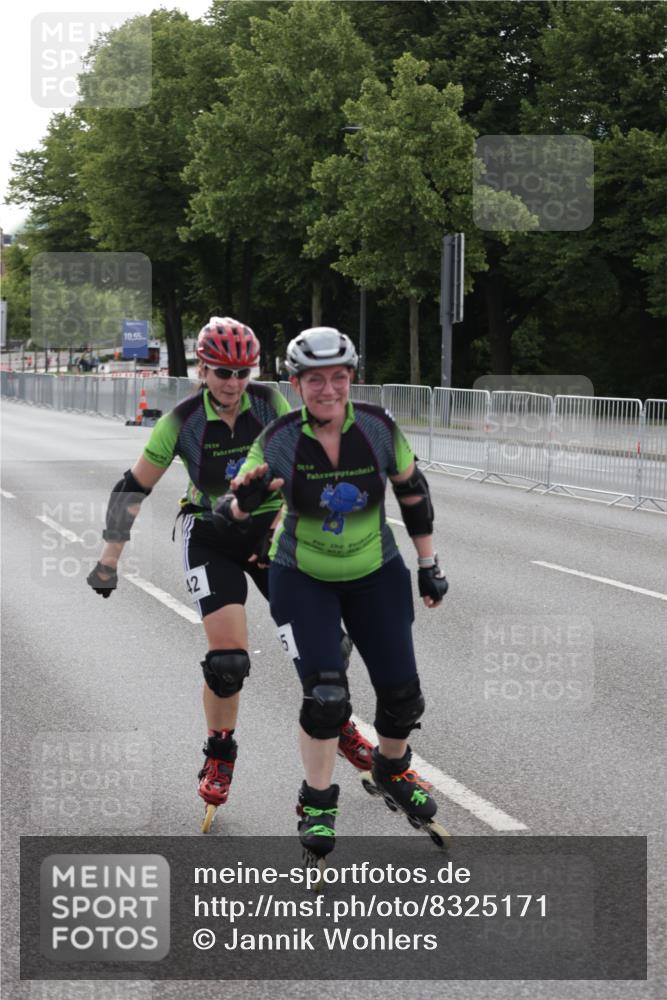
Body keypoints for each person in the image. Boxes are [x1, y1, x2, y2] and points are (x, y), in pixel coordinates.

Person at [86, 318, 372, 832]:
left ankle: (339, 722)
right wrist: (109, 558)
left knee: (330, 646)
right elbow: (132, 488)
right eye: (222, 371)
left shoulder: (268, 405)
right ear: (202, 368)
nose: (233, 383)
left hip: (269, 533)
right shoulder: (181, 421)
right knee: (228, 664)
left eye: (243, 371)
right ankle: (220, 751)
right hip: (211, 535)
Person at [224, 326, 450, 862]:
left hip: (377, 570)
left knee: (403, 697)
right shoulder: (279, 438)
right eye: (315, 379)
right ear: (296, 383)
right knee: (327, 698)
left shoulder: (376, 427)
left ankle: (392, 771)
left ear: (353, 378)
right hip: (303, 574)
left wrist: (428, 563)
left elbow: (413, 493)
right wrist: (243, 501)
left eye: (339, 377)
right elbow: (231, 510)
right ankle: (318, 800)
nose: (329, 389)